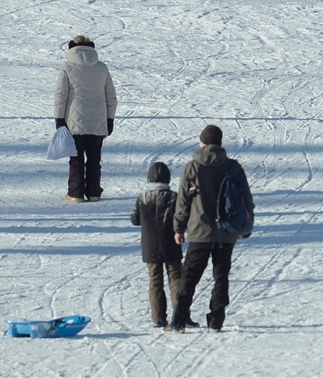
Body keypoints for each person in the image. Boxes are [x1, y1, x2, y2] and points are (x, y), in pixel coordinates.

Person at [169, 125, 253, 333]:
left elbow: (183, 202)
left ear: (202, 143)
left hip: (199, 231)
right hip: (226, 232)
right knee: (221, 275)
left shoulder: (193, 167)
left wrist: (178, 228)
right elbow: (246, 200)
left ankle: (179, 320)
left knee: (189, 276)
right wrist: (244, 226)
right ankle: (216, 321)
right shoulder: (233, 167)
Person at [131, 162, 199, 329]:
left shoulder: (142, 197)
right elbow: (183, 216)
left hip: (150, 246)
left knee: (155, 281)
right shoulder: (174, 197)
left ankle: (158, 318)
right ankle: (180, 315)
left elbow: (135, 219)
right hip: (171, 243)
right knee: (176, 279)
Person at [54, 36, 117, 203]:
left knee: (76, 158)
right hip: (98, 120)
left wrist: (59, 119)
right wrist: (110, 119)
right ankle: (94, 192)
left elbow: (61, 96)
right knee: (94, 157)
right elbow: (111, 97)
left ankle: (75, 194)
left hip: (74, 121)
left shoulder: (67, 67)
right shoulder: (102, 68)